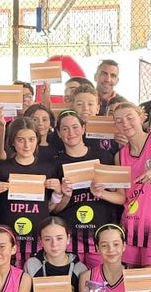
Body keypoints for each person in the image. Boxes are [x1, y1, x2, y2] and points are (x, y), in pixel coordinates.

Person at [50, 110, 121, 270]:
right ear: (59, 133)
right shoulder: (56, 163)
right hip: (71, 236)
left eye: (75, 127)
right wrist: (65, 195)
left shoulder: (104, 157)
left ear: (83, 129)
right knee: (72, 285)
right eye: (65, 129)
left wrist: (104, 190)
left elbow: (119, 195)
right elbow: (55, 209)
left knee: (98, 285)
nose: (71, 133)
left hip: (99, 234)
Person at [0, 119, 61, 265]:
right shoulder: (0, 169)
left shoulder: (48, 169)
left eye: (31, 139)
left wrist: (58, 193)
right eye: (21, 140)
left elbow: (50, 207)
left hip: (37, 239)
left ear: (37, 140)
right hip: (8, 240)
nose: (27, 145)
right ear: (12, 142)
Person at [115, 101, 151, 266]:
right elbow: (121, 196)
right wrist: (99, 191)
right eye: (119, 120)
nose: (125, 123)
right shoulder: (120, 156)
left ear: (142, 118)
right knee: (131, 277)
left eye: (129, 117)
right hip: (130, 224)